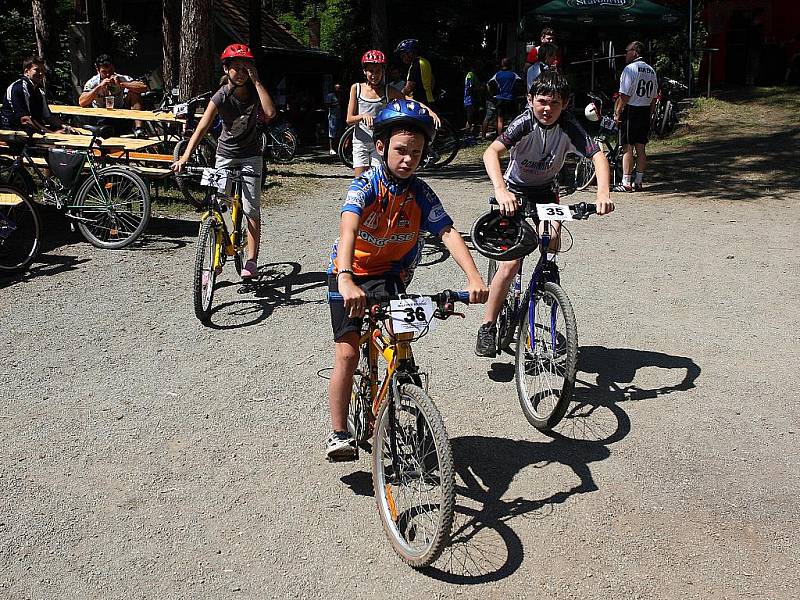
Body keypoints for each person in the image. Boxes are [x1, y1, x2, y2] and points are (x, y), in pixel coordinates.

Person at [325, 99, 489, 459]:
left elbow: (446, 231)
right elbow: (348, 228)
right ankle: (338, 432)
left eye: (416, 152)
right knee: (348, 353)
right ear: (380, 147)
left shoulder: (420, 191)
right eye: (400, 150)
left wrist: (474, 277)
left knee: (402, 347)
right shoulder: (365, 186)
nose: (408, 159)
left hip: (391, 275)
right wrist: (346, 278)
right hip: (350, 273)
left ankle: (411, 406)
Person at [475, 71, 614, 357]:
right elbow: (491, 152)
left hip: (546, 192)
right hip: (514, 191)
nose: (547, 109)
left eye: (555, 103)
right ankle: (488, 326)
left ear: (564, 105)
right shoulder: (524, 123)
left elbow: (598, 156)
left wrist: (603, 195)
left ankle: (546, 285)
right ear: (530, 100)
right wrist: (501, 191)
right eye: (541, 101)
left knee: (551, 240)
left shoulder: (568, 125)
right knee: (510, 264)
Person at [172, 43, 276, 279]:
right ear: (226, 69)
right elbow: (202, 127)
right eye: (236, 68)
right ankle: (216, 258)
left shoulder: (254, 92)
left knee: (250, 209)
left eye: (245, 68)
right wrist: (186, 156)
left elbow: (269, 114)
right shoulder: (220, 96)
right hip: (226, 154)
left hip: (251, 156)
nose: (240, 73)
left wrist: (257, 81)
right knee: (218, 206)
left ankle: (251, 260)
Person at [345, 49, 439, 177]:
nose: (374, 75)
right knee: (360, 181)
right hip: (360, 141)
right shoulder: (356, 88)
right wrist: (362, 116)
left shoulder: (388, 90)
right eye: (370, 71)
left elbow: (408, 101)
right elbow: (349, 119)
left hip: (379, 141)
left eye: (378, 71)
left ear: (383, 72)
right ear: (364, 72)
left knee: (379, 180)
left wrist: (429, 111)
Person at [613, 41, 658, 192]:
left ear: (635, 52)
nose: (625, 54)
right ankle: (638, 181)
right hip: (645, 110)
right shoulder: (651, 70)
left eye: (627, 51)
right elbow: (654, 98)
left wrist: (618, 112)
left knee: (627, 147)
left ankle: (626, 181)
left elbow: (624, 95)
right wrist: (650, 115)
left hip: (632, 110)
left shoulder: (630, 69)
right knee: (641, 148)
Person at [79, 54, 149, 136]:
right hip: (101, 116)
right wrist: (99, 87)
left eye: (110, 70)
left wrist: (122, 84)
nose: (108, 74)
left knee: (134, 93)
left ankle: (139, 129)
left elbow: (144, 87)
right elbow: (82, 102)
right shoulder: (93, 82)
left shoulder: (122, 78)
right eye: (104, 72)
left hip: (121, 113)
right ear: (98, 70)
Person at [1, 56, 67, 133]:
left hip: (32, 130)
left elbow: (48, 117)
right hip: (14, 131)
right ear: (26, 72)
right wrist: (52, 134)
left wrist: (65, 127)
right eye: (37, 70)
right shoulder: (18, 88)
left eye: (43, 71)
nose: (41, 73)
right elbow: (25, 120)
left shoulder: (39, 91)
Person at [487, 58, 523, 137]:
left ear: (502, 64)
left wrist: (492, 95)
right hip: (510, 99)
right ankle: (512, 135)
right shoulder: (513, 75)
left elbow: (488, 84)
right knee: (513, 118)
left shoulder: (497, 74)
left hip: (499, 99)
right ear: (510, 65)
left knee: (500, 119)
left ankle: (500, 138)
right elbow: (521, 82)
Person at [396, 39, 436, 106]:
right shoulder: (425, 61)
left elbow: (408, 88)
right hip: (430, 99)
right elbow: (432, 80)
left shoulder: (415, 64)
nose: (402, 57)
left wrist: (396, 97)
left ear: (411, 52)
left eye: (403, 54)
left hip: (421, 102)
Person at [325, 83, 344, 155]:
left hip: (339, 115)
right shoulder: (330, 95)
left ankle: (337, 147)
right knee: (332, 132)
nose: (338, 90)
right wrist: (335, 104)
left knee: (339, 132)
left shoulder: (341, 95)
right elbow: (327, 105)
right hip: (332, 115)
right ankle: (331, 148)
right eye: (337, 89)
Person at [463, 63, 480, 136]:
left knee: (473, 118)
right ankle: (467, 134)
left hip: (474, 100)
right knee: (470, 119)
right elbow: (469, 88)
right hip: (470, 100)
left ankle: (472, 134)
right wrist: (479, 89)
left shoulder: (474, 75)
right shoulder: (470, 75)